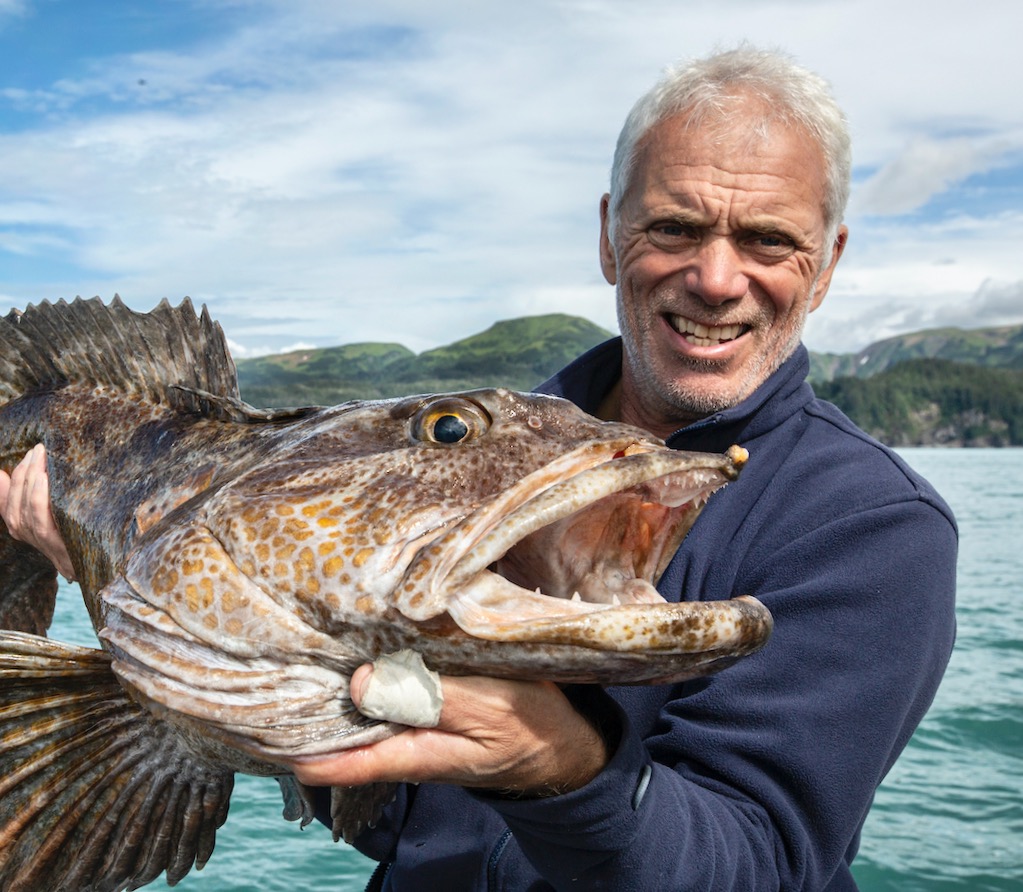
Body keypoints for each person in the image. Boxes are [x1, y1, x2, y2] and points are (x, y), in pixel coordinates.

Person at [1, 46, 957, 891]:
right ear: (607, 233)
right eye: (673, 227)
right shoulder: (498, 446)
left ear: (825, 265)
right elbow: (384, 814)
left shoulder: (874, 528)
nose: (714, 277)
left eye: (766, 240)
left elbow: (757, 862)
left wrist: (560, 768)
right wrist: (117, 570)